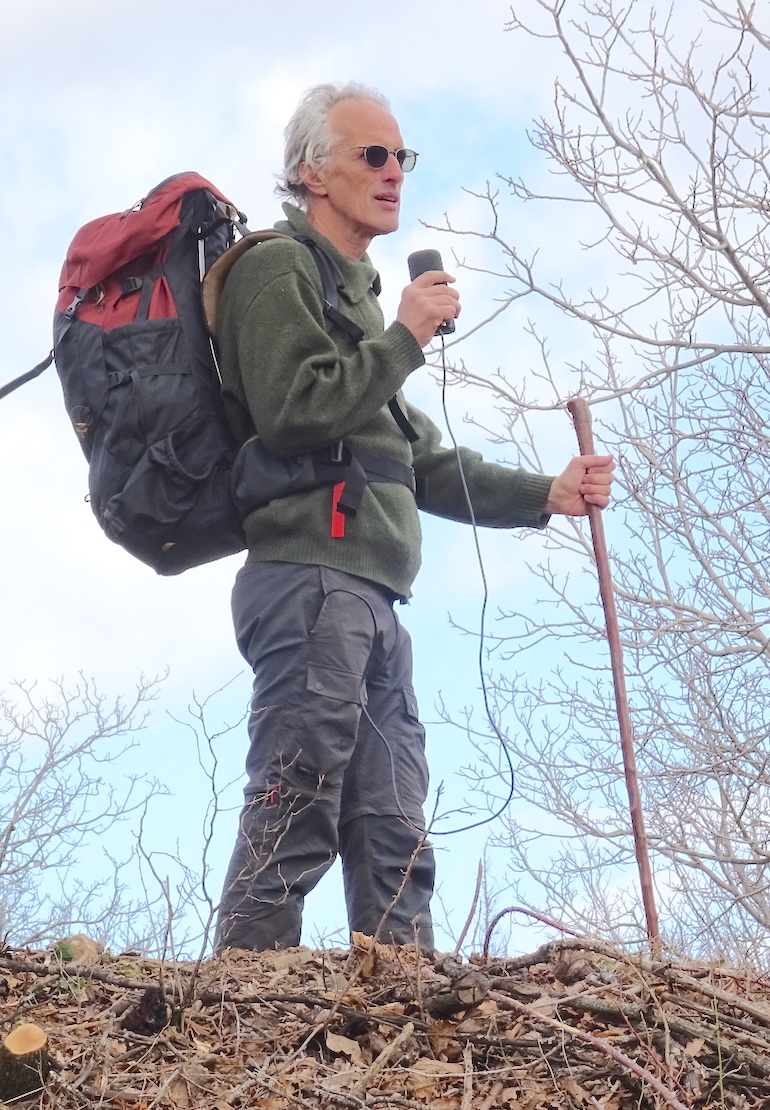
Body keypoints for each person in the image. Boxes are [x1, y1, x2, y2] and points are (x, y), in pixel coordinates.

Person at [213, 82, 614, 952]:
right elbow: (291, 411)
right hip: (311, 579)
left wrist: (547, 494)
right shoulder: (276, 268)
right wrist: (404, 338)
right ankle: (243, 989)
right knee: (300, 787)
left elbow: (414, 456)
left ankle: (404, 997)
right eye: (373, 156)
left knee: (392, 813)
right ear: (310, 172)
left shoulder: (357, 300)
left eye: (403, 158)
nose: (395, 173)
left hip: (372, 597)